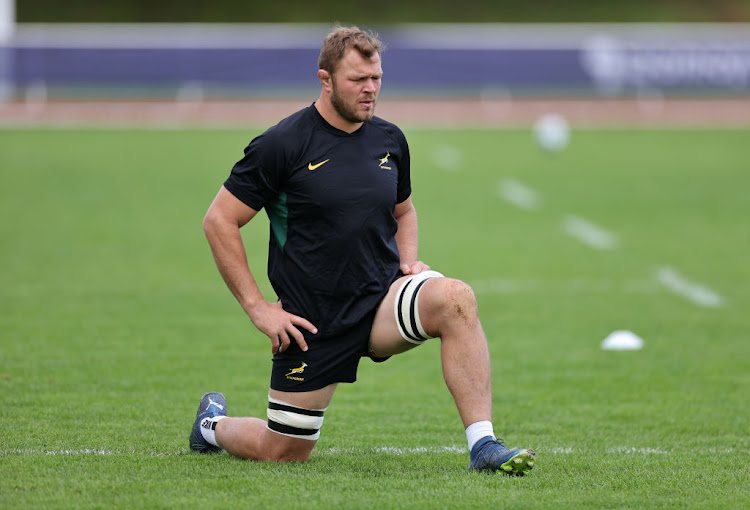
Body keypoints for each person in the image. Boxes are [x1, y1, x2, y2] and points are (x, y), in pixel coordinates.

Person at [190, 26, 535, 475]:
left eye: (376, 78)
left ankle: (483, 445)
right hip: (312, 321)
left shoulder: (389, 140)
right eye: (358, 79)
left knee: (455, 298)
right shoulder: (282, 144)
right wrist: (257, 307)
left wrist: (408, 262)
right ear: (326, 79)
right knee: (285, 451)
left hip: (380, 300)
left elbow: (404, 212)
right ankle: (212, 426)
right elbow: (219, 220)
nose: (370, 89)